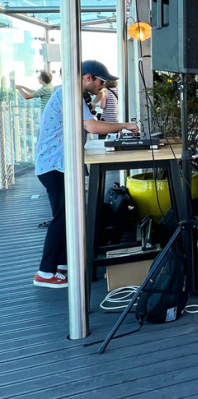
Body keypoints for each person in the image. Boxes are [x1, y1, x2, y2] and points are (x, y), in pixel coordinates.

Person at [33, 61, 139, 288]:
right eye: (102, 81)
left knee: (69, 216)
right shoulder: (70, 94)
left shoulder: (70, 93)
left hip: (57, 164)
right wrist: (125, 126)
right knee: (63, 217)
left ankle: (62, 265)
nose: (103, 86)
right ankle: (45, 272)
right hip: (55, 164)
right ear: (88, 77)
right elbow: (92, 127)